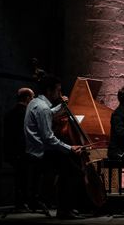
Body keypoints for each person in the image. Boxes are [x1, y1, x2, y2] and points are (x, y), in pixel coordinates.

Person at [24, 75, 84, 219]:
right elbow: (49, 138)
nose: (60, 93)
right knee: (74, 171)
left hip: (35, 150)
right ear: (49, 90)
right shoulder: (43, 107)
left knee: (69, 166)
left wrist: (62, 105)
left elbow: (50, 113)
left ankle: (64, 207)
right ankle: (64, 210)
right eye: (58, 90)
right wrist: (70, 148)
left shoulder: (34, 102)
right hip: (42, 153)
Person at [4, 87, 34, 211]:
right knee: (24, 178)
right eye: (32, 98)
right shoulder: (25, 114)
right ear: (27, 98)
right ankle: (23, 203)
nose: (32, 100)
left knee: (20, 177)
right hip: (23, 150)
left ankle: (20, 203)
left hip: (12, 150)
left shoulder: (9, 113)